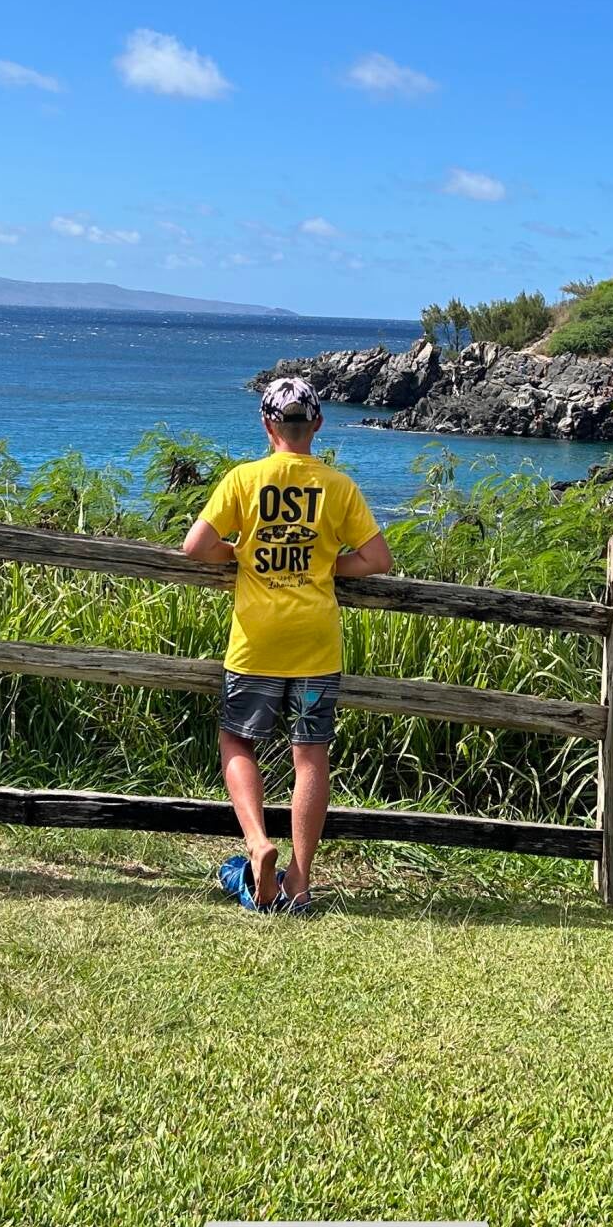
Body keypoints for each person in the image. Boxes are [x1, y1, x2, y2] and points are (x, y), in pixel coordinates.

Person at [183, 375, 393, 915]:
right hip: (315, 643)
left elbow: (196, 546)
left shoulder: (244, 479)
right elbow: (377, 559)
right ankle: (299, 881)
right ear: (317, 424)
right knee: (310, 755)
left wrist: (239, 553)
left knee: (237, 742)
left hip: (257, 641)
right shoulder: (337, 486)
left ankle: (257, 844)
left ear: (267, 425)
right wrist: (326, 564)